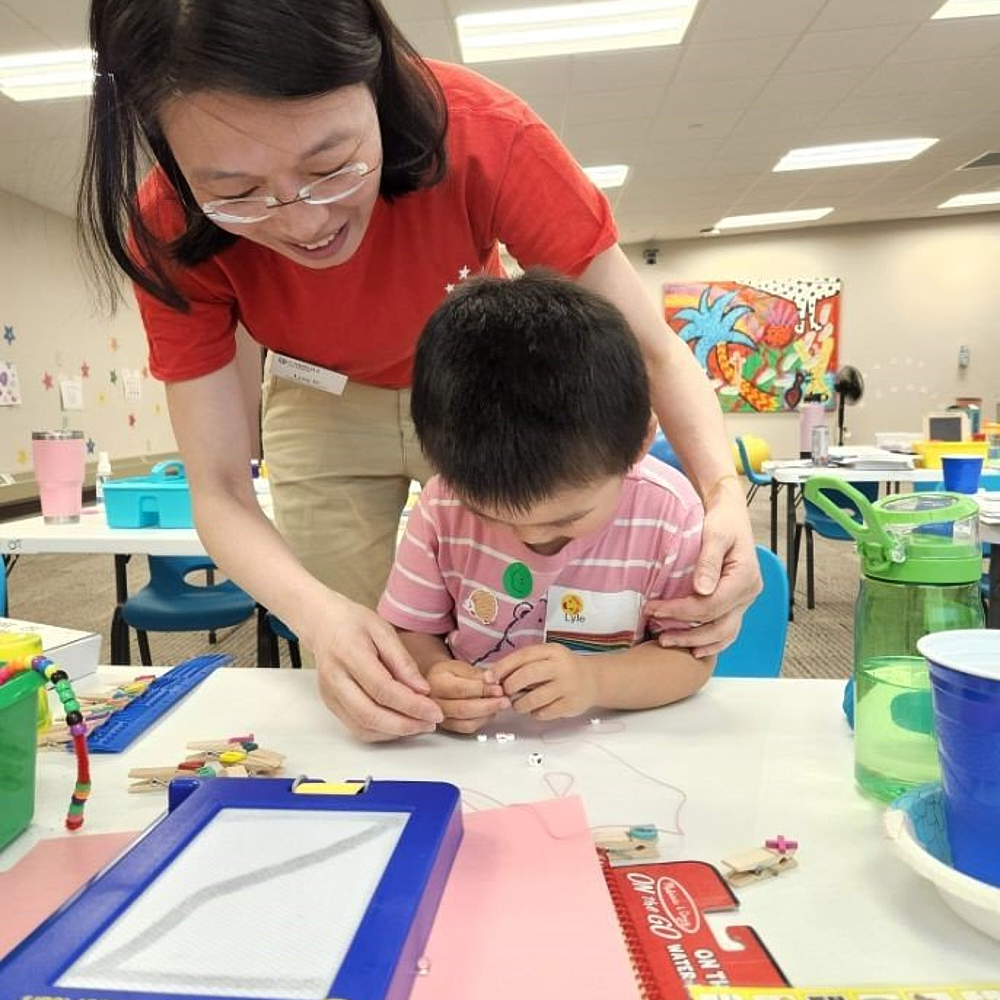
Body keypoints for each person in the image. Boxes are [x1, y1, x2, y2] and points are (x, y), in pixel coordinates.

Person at [80, 0, 756, 742]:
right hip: (318, 394)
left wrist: (724, 498)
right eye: (237, 194)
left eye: (330, 167)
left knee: (520, 576)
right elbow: (218, 489)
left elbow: (650, 348)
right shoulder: (167, 225)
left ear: (377, 80)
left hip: (482, 390)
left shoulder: (483, 132)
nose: (305, 224)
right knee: (379, 662)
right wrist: (323, 618)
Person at [379, 272, 715, 732]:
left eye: (567, 519)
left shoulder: (671, 515)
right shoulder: (442, 505)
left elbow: (691, 660)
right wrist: (434, 674)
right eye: (489, 516)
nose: (532, 538)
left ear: (639, 444)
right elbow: (411, 629)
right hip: (475, 752)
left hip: (614, 741)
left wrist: (595, 681)